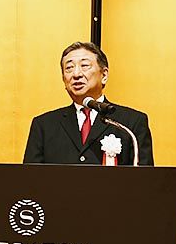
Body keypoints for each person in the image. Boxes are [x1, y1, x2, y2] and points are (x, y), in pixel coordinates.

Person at [22, 41, 154, 166]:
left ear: (104, 75)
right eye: (69, 68)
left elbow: (145, 178)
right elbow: (30, 177)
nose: (76, 74)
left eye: (84, 66)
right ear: (63, 79)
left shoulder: (131, 123)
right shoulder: (44, 125)